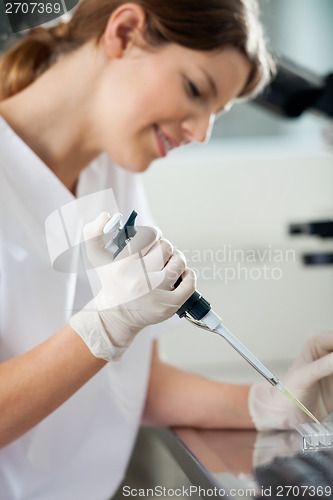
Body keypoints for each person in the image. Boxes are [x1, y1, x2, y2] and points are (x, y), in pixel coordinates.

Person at [0, 0, 332, 498]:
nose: (199, 133)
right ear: (126, 31)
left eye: (215, 113)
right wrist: (103, 325)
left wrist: (269, 403)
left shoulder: (113, 170)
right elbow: (100, 342)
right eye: (195, 90)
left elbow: (132, 382)